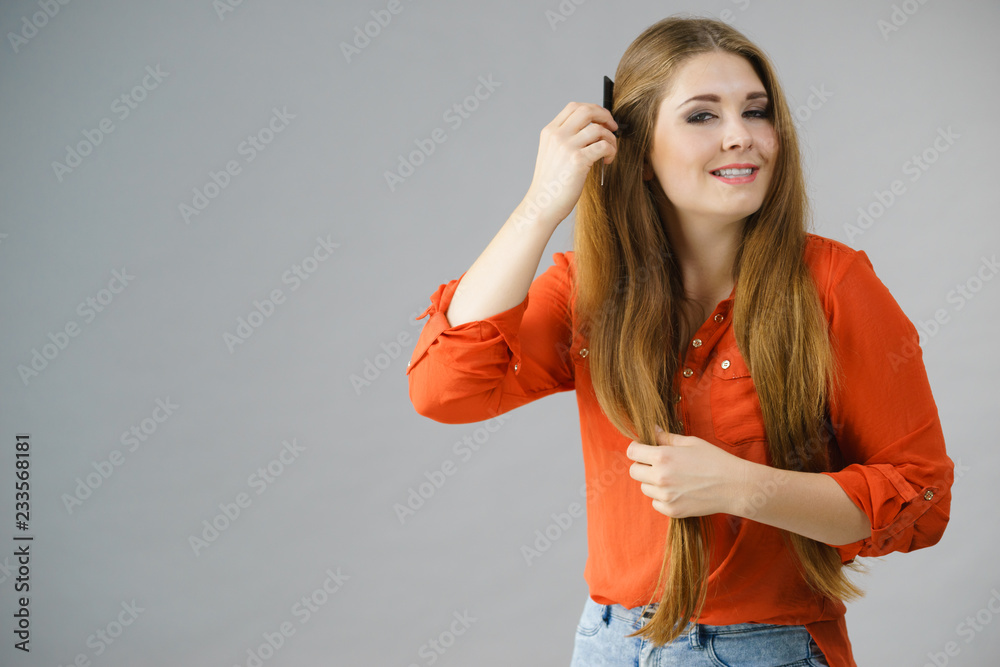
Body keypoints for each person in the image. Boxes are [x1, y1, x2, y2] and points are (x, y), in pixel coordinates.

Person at [405, 15, 953, 667]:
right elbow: (444, 389)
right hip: (607, 644)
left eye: (756, 111)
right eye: (702, 116)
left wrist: (743, 487)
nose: (740, 136)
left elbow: (920, 499)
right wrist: (541, 205)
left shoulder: (834, 284)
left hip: (766, 649)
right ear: (637, 152)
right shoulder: (588, 290)